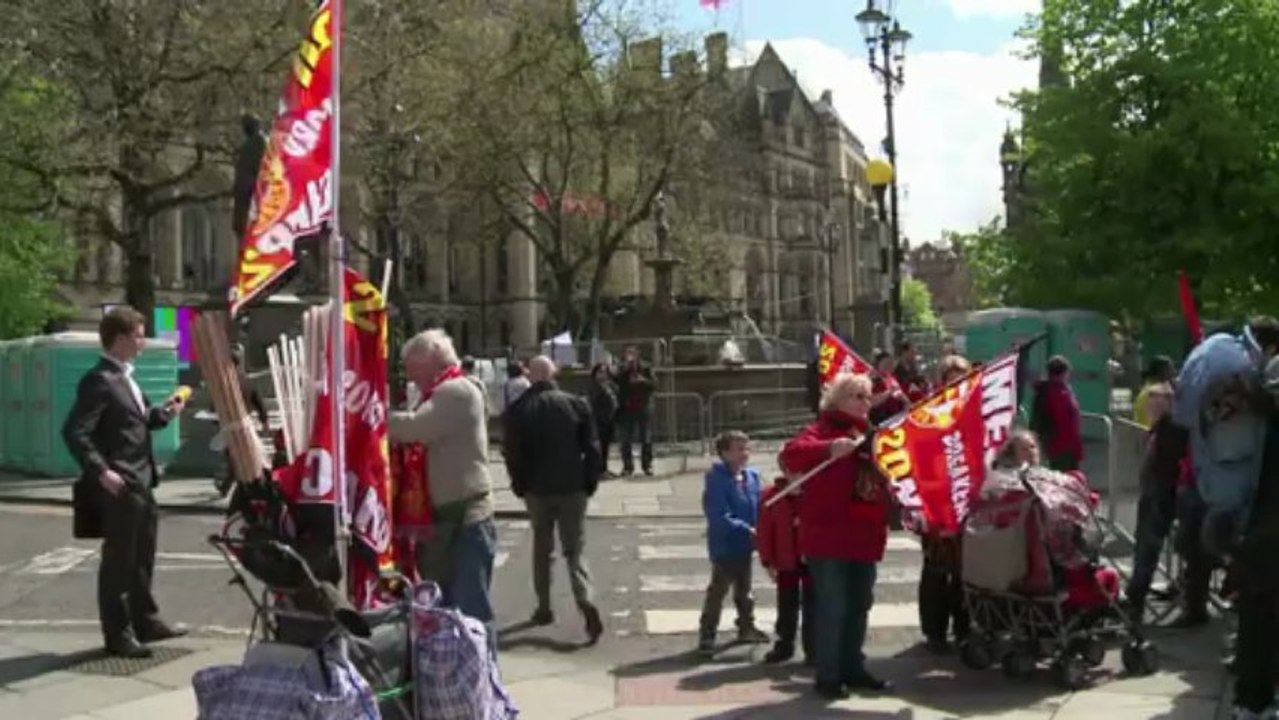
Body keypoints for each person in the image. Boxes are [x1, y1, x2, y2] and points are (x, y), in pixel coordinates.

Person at [61, 306, 189, 658]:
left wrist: (166, 411)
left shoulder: (127, 377)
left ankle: (145, 621)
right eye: (138, 335)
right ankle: (118, 636)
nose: (143, 341)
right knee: (119, 562)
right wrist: (102, 471)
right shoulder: (99, 380)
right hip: (120, 484)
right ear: (119, 340)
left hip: (143, 481)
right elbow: (75, 431)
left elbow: (143, 419)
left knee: (142, 557)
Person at [781, 373, 893, 699]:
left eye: (867, 395)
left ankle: (852, 668)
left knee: (859, 604)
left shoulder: (872, 433)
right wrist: (830, 448)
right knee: (833, 606)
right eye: (855, 395)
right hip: (829, 534)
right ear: (836, 399)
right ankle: (828, 675)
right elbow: (792, 453)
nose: (864, 402)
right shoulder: (823, 429)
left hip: (864, 533)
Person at [388, 329, 498, 651]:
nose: (408, 375)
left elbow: (413, 427)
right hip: (450, 516)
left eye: (412, 367)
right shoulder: (442, 390)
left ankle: (483, 681)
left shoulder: (455, 392)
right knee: (449, 606)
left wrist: (370, 415)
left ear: (432, 362)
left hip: (465, 517)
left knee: (470, 609)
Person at [1171, 317, 1279, 627]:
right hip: (1233, 481)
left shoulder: (1217, 351)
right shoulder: (1242, 366)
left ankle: (1212, 605)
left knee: (1213, 548)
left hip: (1209, 475)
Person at [502, 356, 605, 644]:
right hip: (572, 487)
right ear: (554, 373)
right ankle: (585, 599)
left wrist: (519, 485)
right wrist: (589, 481)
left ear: (529, 375)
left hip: (537, 490)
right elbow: (593, 448)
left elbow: (512, 453)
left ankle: (544, 608)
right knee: (575, 550)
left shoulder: (519, 409)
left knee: (542, 549)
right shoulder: (575, 404)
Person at [1229, 356, 1279, 719]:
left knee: (1256, 622)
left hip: (1256, 535)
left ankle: (1251, 701)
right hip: (1265, 537)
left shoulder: (1255, 425)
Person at [918, 355, 972, 654]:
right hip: (937, 499)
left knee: (966, 568)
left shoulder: (974, 411)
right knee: (937, 568)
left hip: (968, 500)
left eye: (962, 378)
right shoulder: (929, 414)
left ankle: (965, 627)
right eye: (951, 378)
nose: (957, 384)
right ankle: (935, 631)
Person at [697, 430, 767, 656]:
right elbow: (718, 515)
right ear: (725, 453)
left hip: (747, 543)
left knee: (744, 589)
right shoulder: (716, 479)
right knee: (719, 590)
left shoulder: (752, 477)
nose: (745, 454)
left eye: (746, 448)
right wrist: (747, 529)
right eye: (738, 449)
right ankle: (707, 634)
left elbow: (762, 504)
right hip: (726, 543)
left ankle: (746, 626)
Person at [1122, 382, 1187, 621]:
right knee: (1148, 548)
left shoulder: (1171, 428)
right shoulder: (1165, 426)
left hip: (1161, 494)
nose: (1150, 408)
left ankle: (1136, 601)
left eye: (1156, 403)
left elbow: (1165, 467)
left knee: (1147, 548)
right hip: (1159, 492)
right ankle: (1138, 598)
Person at [757, 455, 814, 665]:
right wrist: (767, 560)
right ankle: (784, 644)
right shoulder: (771, 497)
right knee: (787, 605)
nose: (796, 476)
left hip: (811, 561)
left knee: (813, 605)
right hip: (786, 561)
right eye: (791, 471)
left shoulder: (814, 495)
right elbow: (764, 531)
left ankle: (814, 648)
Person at [215, 345, 270, 497]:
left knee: (236, 458)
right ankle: (240, 484)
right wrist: (264, 420)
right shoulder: (246, 382)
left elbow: (215, 405)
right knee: (243, 456)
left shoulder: (224, 384)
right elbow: (259, 402)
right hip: (245, 425)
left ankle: (232, 485)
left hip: (231, 426)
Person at [1030, 355, 1084, 472]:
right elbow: (1063, 420)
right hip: (1062, 445)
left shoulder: (1055, 390)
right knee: (1065, 476)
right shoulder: (1058, 392)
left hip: (1062, 444)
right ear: (1064, 372)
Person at [614, 346, 656, 476]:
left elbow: (654, 384)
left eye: (633, 354)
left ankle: (647, 465)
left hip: (643, 407)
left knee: (646, 438)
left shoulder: (646, 368)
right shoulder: (623, 370)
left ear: (638, 355)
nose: (630, 357)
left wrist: (643, 380)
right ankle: (627, 467)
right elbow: (616, 381)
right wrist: (625, 370)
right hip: (627, 408)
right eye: (628, 355)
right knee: (625, 439)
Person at [587, 363, 618, 477]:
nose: (603, 374)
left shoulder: (608, 385)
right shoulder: (595, 386)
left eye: (605, 372)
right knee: (600, 447)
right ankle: (599, 470)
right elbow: (594, 403)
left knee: (606, 446)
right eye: (600, 372)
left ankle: (604, 468)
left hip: (608, 420)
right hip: (599, 421)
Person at [1133, 355, 1176, 428]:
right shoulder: (1158, 394)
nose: (1173, 373)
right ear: (1161, 372)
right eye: (1170, 370)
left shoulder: (1146, 389)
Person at [869, 349, 907, 425]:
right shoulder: (872, 380)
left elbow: (903, 398)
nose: (889, 366)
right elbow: (872, 402)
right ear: (878, 365)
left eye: (890, 363)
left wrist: (906, 402)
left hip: (897, 419)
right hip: (880, 421)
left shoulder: (892, 379)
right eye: (885, 363)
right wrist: (889, 392)